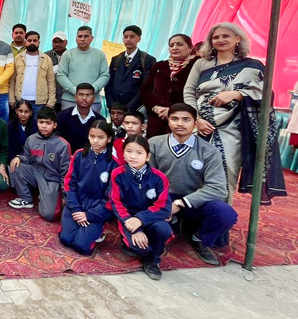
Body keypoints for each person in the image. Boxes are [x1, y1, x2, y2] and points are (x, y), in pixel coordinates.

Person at [184, 22, 286, 204]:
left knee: (225, 172)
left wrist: (237, 94)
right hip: (199, 127)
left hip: (232, 129)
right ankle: (190, 214)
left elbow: (266, 93)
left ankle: (220, 215)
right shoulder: (201, 63)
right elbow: (189, 92)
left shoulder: (252, 66)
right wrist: (196, 119)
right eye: (216, 37)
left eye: (226, 36)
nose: (220, 40)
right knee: (191, 171)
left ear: (238, 39)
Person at [149, 104, 237, 266]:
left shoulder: (209, 151)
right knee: (153, 231)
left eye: (186, 120)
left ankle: (200, 239)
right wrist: (162, 204)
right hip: (165, 197)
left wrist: (181, 203)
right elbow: (149, 179)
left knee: (226, 214)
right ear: (168, 121)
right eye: (174, 119)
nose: (179, 123)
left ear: (195, 123)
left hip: (194, 200)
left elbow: (218, 188)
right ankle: (173, 224)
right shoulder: (154, 143)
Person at [109, 135, 172, 281]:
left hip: (151, 217)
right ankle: (132, 244)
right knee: (140, 247)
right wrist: (135, 228)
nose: (133, 156)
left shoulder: (159, 177)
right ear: (123, 154)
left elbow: (164, 206)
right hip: (128, 219)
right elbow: (116, 203)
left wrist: (141, 219)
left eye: (139, 153)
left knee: (164, 230)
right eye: (129, 151)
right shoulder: (117, 174)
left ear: (148, 156)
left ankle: (153, 260)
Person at [59, 120, 119, 255]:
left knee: (82, 246)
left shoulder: (114, 164)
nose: (95, 141)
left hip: (96, 211)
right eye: (92, 136)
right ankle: (78, 227)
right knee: (66, 239)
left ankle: (98, 232)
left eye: (100, 137)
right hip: (76, 205)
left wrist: (89, 215)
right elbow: (69, 184)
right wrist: (76, 209)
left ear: (109, 139)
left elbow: (111, 198)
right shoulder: (79, 155)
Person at [8, 107, 70, 220]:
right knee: (15, 165)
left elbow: (66, 173)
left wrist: (65, 196)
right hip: (36, 173)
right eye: (41, 122)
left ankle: (49, 196)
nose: (44, 126)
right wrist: (19, 157)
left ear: (55, 125)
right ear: (37, 123)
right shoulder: (32, 139)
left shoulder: (63, 145)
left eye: (48, 123)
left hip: (52, 180)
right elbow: (28, 158)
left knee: (49, 215)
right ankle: (26, 198)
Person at [141, 34, 198, 138]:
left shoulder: (197, 65)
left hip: (184, 122)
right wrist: (155, 108)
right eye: (171, 45)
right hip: (157, 120)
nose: (175, 48)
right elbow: (145, 90)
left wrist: (173, 111)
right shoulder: (159, 66)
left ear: (190, 47)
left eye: (179, 44)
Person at [56, 26, 109, 112]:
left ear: (92, 38)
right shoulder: (67, 54)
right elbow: (61, 75)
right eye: (80, 36)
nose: (82, 39)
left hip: (93, 101)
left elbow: (105, 75)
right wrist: (76, 92)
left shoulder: (100, 55)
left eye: (86, 36)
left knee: (93, 121)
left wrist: (91, 91)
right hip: (70, 100)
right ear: (76, 38)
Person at [105, 25, 156, 112]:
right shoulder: (116, 59)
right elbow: (109, 84)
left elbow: (146, 87)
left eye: (132, 37)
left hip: (136, 109)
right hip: (115, 107)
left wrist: (129, 107)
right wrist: (111, 105)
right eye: (125, 37)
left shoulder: (147, 60)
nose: (128, 40)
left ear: (139, 39)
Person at [9, 30, 56, 123]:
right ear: (25, 41)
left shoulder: (46, 59)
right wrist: (12, 99)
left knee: (37, 127)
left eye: (35, 40)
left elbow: (51, 81)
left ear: (39, 42)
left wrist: (51, 102)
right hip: (21, 100)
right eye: (29, 40)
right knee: (20, 127)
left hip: (40, 102)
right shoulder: (18, 58)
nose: (32, 43)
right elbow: (12, 80)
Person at [56, 83, 106, 152]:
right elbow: (58, 141)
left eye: (88, 95)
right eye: (81, 95)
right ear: (75, 97)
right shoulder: (62, 116)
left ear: (93, 99)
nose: (84, 98)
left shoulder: (100, 120)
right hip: (67, 156)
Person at [44, 31, 68, 111]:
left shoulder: (71, 56)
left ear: (66, 42)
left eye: (60, 41)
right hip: (48, 98)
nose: (57, 44)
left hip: (67, 97)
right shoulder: (45, 56)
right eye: (55, 42)